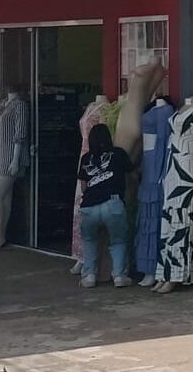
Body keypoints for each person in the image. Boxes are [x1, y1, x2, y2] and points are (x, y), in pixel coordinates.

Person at [77, 123, 133, 289]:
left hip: (89, 206)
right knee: (118, 241)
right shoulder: (119, 153)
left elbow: (83, 187)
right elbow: (133, 175)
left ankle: (90, 276)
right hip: (113, 203)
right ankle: (119, 276)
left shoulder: (86, 158)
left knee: (90, 240)